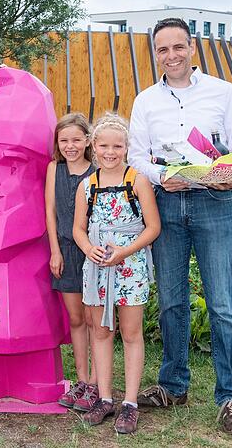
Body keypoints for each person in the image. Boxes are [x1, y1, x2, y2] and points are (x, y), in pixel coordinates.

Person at [128, 17, 232, 435]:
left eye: (178, 47)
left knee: (221, 305)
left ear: (192, 48)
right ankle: (173, 385)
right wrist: (163, 177)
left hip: (214, 202)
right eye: (162, 50)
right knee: (171, 302)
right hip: (166, 202)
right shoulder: (145, 100)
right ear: (156, 55)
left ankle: (231, 397)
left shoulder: (224, 92)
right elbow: (136, 157)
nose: (171, 55)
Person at [72, 114, 160, 435]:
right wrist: (88, 249)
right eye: (104, 145)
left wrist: (123, 252)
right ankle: (105, 397)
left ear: (126, 147)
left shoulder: (137, 181)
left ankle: (131, 402)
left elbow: (153, 227)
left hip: (130, 266)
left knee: (131, 332)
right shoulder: (88, 185)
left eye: (118, 146)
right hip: (96, 267)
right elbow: (78, 229)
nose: (111, 152)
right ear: (94, 147)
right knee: (101, 331)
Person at [44, 113, 98, 410]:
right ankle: (82, 380)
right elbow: (50, 212)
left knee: (94, 320)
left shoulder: (97, 171)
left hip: (91, 252)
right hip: (65, 250)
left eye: (76, 139)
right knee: (76, 319)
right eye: (64, 140)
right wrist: (54, 250)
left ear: (88, 140)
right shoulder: (54, 169)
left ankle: (97, 382)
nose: (70, 146)